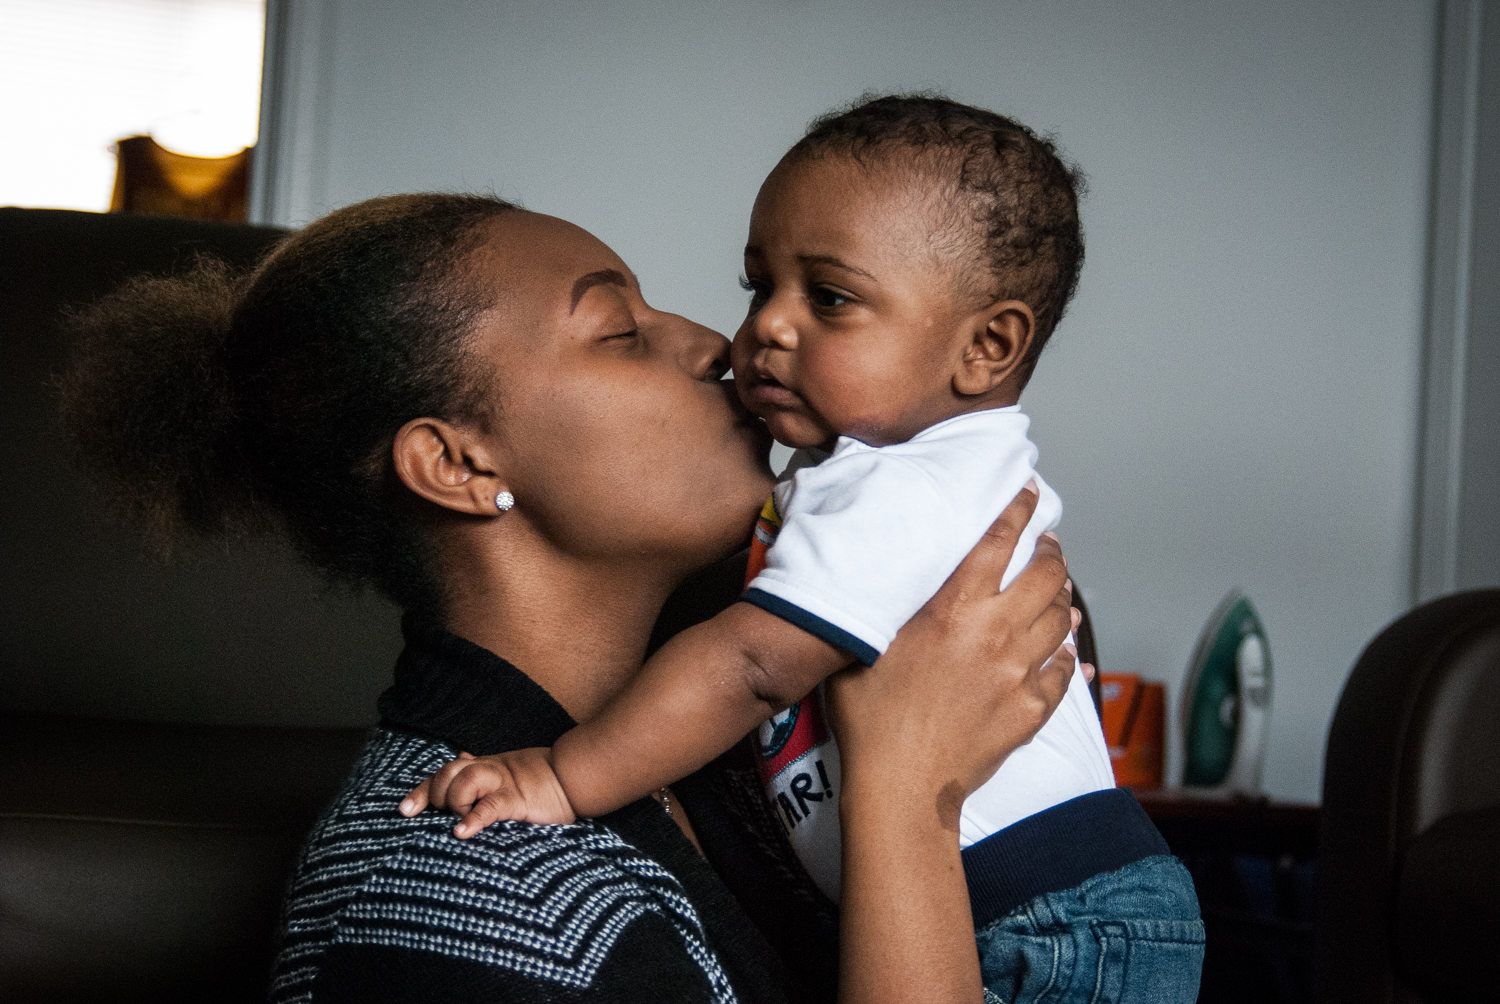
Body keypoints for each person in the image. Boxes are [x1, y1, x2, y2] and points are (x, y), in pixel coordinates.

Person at [59, 190, 1084, 1003]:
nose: (718, 346)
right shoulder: (461, 899)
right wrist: (909, 800)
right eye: (618, 331)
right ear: (458, 462)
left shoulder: (744, 730)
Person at [406, 95, 1204, 1003]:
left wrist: (562, 774)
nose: (752, 334)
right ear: (453, 460)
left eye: (828, 297)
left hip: (1046, 922)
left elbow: (750, 666)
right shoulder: (875, 482)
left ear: (987, 346)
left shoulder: (898, 485)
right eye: (761, 287)